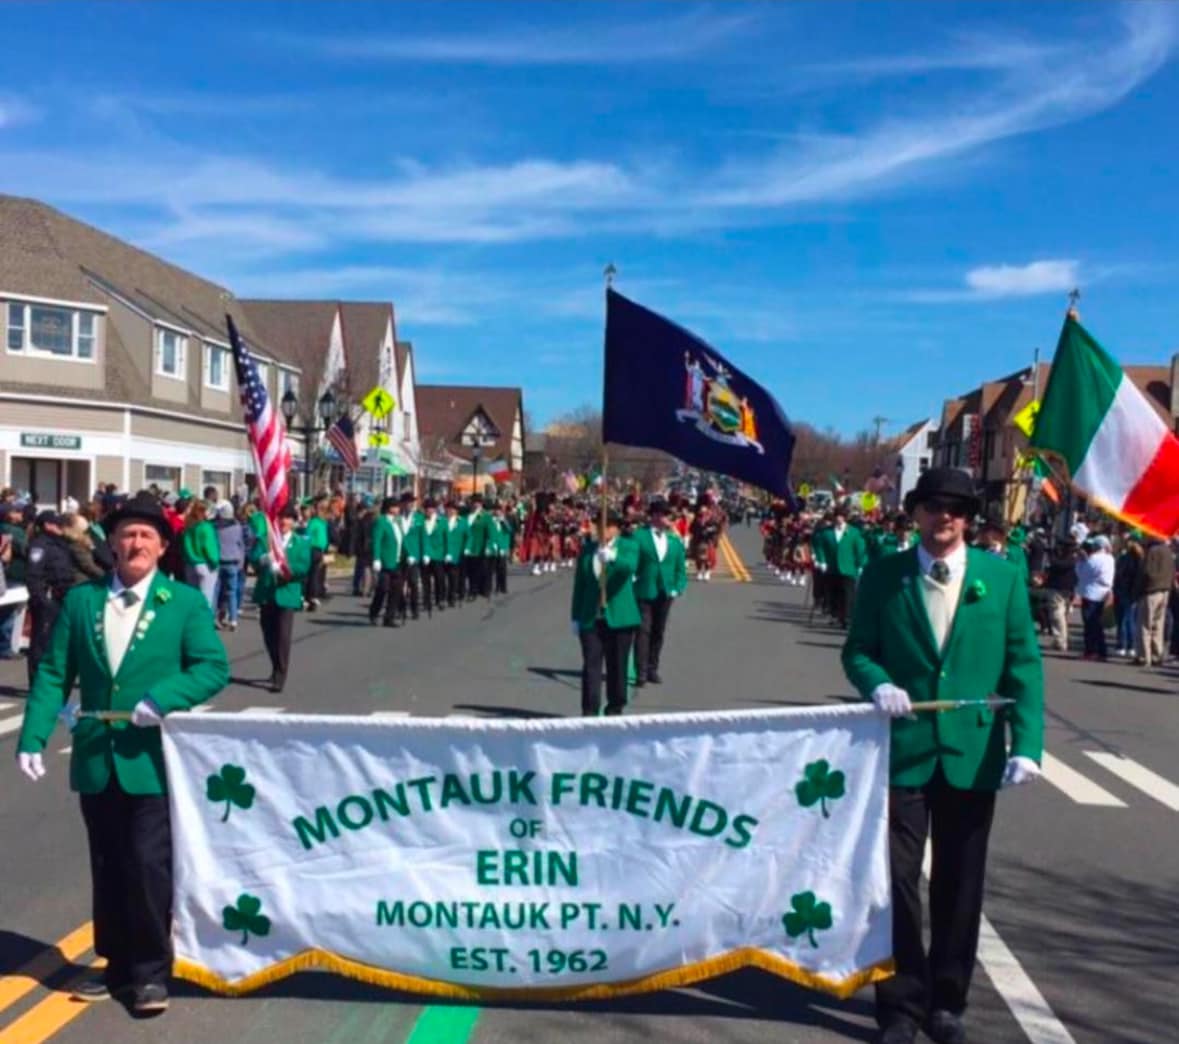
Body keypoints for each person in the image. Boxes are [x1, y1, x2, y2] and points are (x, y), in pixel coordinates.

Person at [842, 467, 1043, 1044]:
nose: (944, 517)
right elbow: (858, 651)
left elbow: (1024, 664)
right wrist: (878, 682)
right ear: (916, 514)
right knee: (896, 880)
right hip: (903, 751)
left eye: (956, 508)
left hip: (970, 751)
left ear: (968, 519)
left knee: (960, 882)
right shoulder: (884, 575)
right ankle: (900, 1006)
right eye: (933, 506)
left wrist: (1028, 744)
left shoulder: (1002, 577)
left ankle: (947, 1002)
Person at [16, 491, 229, 1016]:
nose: (136, 543)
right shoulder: (83, 601)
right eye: (127, 534)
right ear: (111, 543)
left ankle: (150, 971)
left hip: (152, 759)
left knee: (148, 866)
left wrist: (163, 698)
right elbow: (54, 672)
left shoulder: (184, 603)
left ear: (162, 547)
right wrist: (33, 736)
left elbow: (211, 667)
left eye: (146, 535)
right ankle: (114, 964)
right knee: (108, 864)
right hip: (96, 755)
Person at [570, 510, 641, 716]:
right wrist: (575, 616)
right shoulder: (587, 550)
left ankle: (614, 710)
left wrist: (613, 557)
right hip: (591, 618)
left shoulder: (628, 546)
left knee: (617, 667)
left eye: (608, 525)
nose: (603, 530)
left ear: (616, 529)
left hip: (620, 619)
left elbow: (629, 567)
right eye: (599, 525)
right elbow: (580, 585)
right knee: (590, 667)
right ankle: (589, 713)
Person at [250, 505, 311, 692]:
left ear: (293, 521)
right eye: (281, 518)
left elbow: (303, 567)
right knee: (269, 636)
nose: (284, 521)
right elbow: (253, 558)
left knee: (283, 636)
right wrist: (264, 559)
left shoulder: (300, 542)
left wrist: (285, 570)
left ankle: (280, 675)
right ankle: (276, 665)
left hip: (287, 594)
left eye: (288, 518)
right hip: (267, 593)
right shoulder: (265, 539)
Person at [633, 499, 687, 688]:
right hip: (644, 589)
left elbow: (680, 569)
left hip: (665, 592)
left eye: (669, 515)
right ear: (655, 516)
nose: (669, 519)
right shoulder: (639, 536)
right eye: (665, 515)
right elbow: (631, 560)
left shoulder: (674, 541)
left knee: (658, 631)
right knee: (643, 631)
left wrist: (678, 587)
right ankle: (640, 672)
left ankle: (652, 668)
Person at [24, 511, 75, 686]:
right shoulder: (40, 545)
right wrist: (41, 600)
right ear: (47, 525)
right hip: (47, 599)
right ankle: (36, 682)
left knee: (58, 642)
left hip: (62, 598)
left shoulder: (61, 544)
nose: (61, 527)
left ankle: (51, 679)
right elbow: (33, 575)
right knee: (41, 644)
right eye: (57, 524)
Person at [1134, 536, 1173, 666]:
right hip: (1165, 590)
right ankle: (1157, 654)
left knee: (1145, 625)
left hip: (1151, 590)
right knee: (1158, 625)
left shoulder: (1152, 551)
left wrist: (1138, 590)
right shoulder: (1167, 551)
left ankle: (1144, 656)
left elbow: (1146, 572)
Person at [1075, 536, 1114, 661]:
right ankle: (1101, 651)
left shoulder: (1094, 559)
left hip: (1091, 594)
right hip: (1103, 593)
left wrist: (1081, 561)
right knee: (1097, 624)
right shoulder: (1110, 558)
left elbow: (1082, 574)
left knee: (1090, 624)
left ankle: (1091, 650)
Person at [369, 497, 404, 627]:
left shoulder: (397, 521)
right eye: (396, 506)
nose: (398, 509)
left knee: (396, 590)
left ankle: (389, 617)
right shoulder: (381, 521)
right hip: (385, 561)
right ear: (389, 508)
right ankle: (374, 613)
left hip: (397, 561)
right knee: (382, 588)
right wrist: (376, 558)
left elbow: (401, 540)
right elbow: (377, 541)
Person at [180, 501, 219, 611]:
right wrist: (215, 562)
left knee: (192, 598)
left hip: (190, 563)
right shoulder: (206, 527)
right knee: (206, 598)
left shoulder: (188, 527)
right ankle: (204, 620)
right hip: (205, 564)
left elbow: (184, 546)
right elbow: (210, 547)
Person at [213, 502, 245, 632]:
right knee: (232, 592)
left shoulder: (215, 528)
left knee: (216, 591)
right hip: (233, 562)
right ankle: (233, 619)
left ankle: (213, 617)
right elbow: (240, 544)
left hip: (218, 561)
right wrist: (241, 561)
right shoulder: (237, 527)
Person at [1112, 535, 1143, 657]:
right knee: (1131, 619)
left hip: (1123, 592)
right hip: (1134, 593)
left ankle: (1121, 645)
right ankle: (1131, 646)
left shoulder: (1124, 558)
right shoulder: (1141, 559)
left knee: (1123, 620)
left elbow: (1119, 575)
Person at [417, 498, 447, 612]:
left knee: (439, 578)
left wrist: (448, 553)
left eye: (431, 508)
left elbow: (447, 538)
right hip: (424, 554)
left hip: (438, 554)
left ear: (435, 510)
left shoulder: (442, 521)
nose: (429, 511)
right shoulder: (420, 521)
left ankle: (441, 599)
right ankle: (426, 602)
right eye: (427, 509)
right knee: (425, 580)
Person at [303, 498, 330, 611]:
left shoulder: (322, 523)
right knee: (311, 574)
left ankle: (311, 596)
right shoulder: (314, 522)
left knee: (315, 574)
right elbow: (307, 535)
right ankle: (309, 596)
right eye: (322, 510)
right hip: (312, 549)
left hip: (319, 550)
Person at [443, 501, 467, 607]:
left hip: (457, 553)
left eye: (452, 509)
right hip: (443, 553)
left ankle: (452, 597)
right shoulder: (441, 521)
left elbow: (469, 536)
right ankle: (443, 595)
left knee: (453, 576)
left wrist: (466, 548)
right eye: (448, 509)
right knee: (443, 577)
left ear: (456, 511)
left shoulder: (462, 522)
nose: (450, 511)